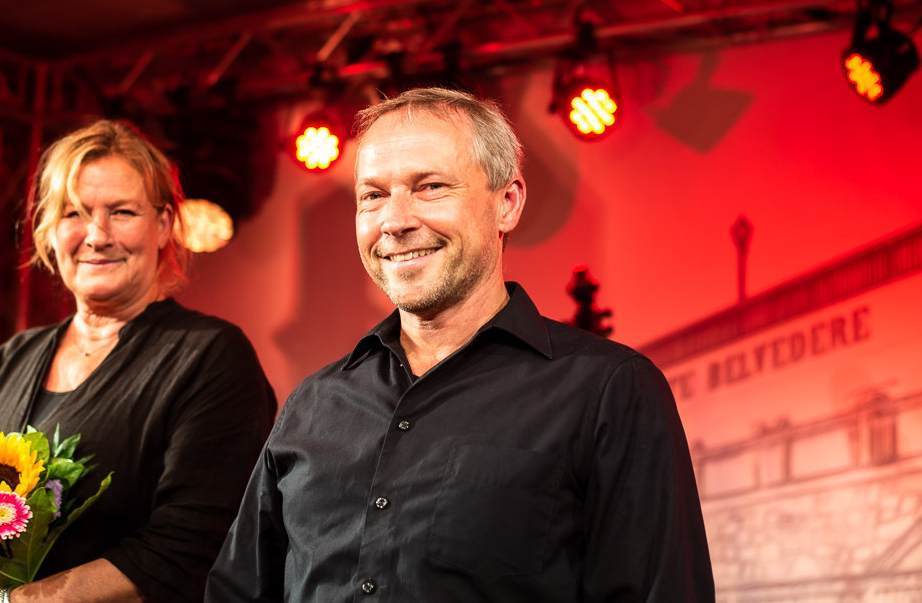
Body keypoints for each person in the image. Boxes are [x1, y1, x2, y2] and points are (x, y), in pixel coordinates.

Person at [205, 87, 714, 601]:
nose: (395, 221)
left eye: (429, 187)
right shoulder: (313, 404)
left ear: (507, 203)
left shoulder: (609, 389)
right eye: (373, 195)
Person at [0, 120, 276, 603]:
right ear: (49, 228)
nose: (96, 234)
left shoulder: (209, 355)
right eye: (75, 213)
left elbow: (191, 546)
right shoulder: (13, 357)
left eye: (122, 212)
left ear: (164, 224)